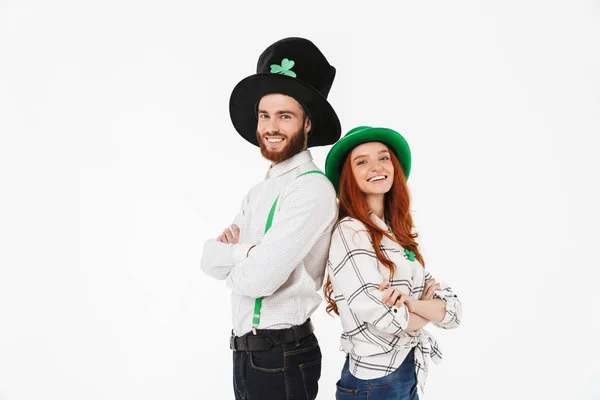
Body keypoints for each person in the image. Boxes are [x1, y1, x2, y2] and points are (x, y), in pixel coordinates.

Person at [200, 37, 341, 400]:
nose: (271, 127)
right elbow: (209, 260)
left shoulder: (312, 189)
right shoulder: (259, 191)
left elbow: (260, 279)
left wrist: (238, 256)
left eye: (285, 116)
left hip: (282, 356)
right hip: (247, 354)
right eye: (265, 115)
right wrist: (249, 253)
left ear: (307, 124)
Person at [323, 126, 463, 399]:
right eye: (361, 161)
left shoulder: (397, 232)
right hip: (374, 382)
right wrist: (427, 309)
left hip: (406, 370)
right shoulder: (350, 231)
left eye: (383, 157)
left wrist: (409, 305)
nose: (376, 167)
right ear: (348, 176)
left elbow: (454, 312)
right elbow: (385, 318)